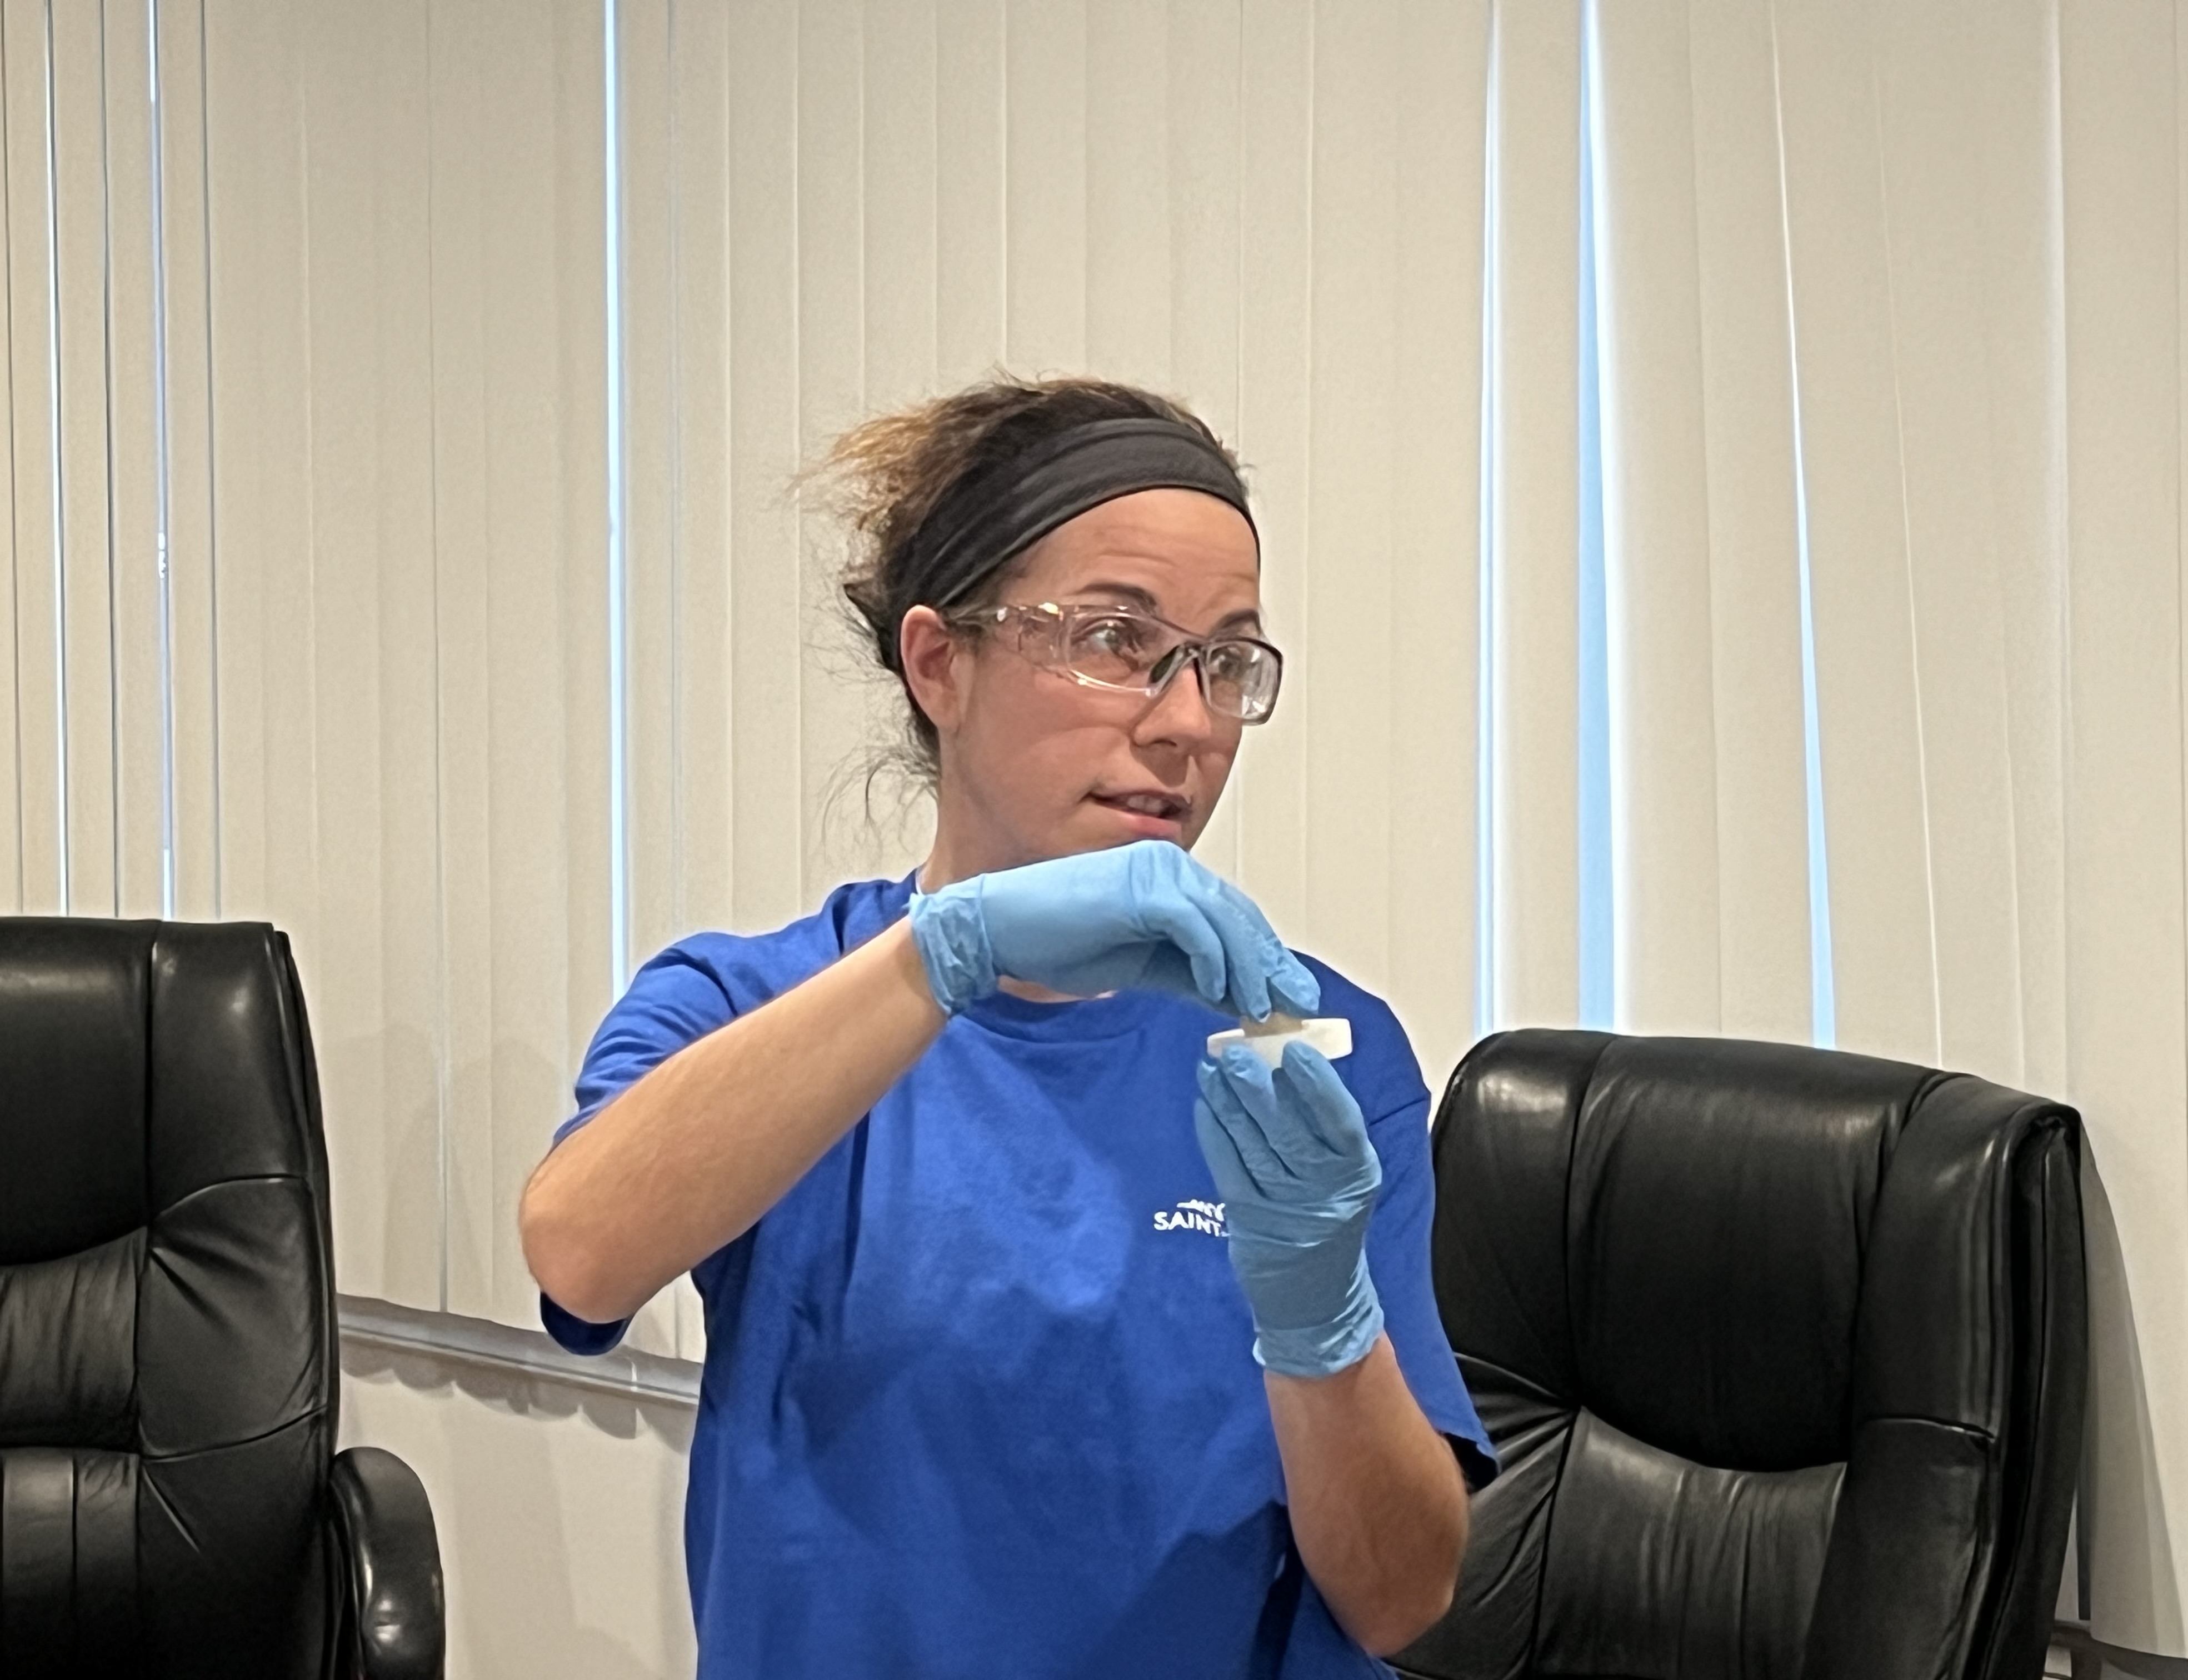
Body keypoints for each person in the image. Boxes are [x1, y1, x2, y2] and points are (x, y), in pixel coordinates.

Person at [519, 376, 1493, 1679]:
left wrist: (1322, 1331)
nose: (1188, 720)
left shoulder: (1310, 1050)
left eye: (1227, 660)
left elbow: (1403, 1599)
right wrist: (941, 960)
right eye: (1114, 639)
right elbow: (579, 1255)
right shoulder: (752, 1004)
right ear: (941, 664)